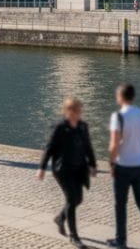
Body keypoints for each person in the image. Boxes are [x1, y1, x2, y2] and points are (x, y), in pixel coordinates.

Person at [107, 83, 140, 249]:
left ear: (120, 97)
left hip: (124, 166)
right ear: (133, 96)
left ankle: (121, 241)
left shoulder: (118, 116)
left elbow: (114, 145)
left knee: (121, 205)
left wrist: (112, 163)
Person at [38, 97, 97, 245]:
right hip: (62, 169)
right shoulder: (59, 127)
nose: (76, 114)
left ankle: (60, 218)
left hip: (79, 168)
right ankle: (74, 236)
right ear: (66, 111)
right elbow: (49, 148)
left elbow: (88, 146)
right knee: (71, 200)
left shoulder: (83, 126)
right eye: (72, 111)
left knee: (78, 199)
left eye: (78, 111)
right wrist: (42, 168)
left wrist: (93, 165)